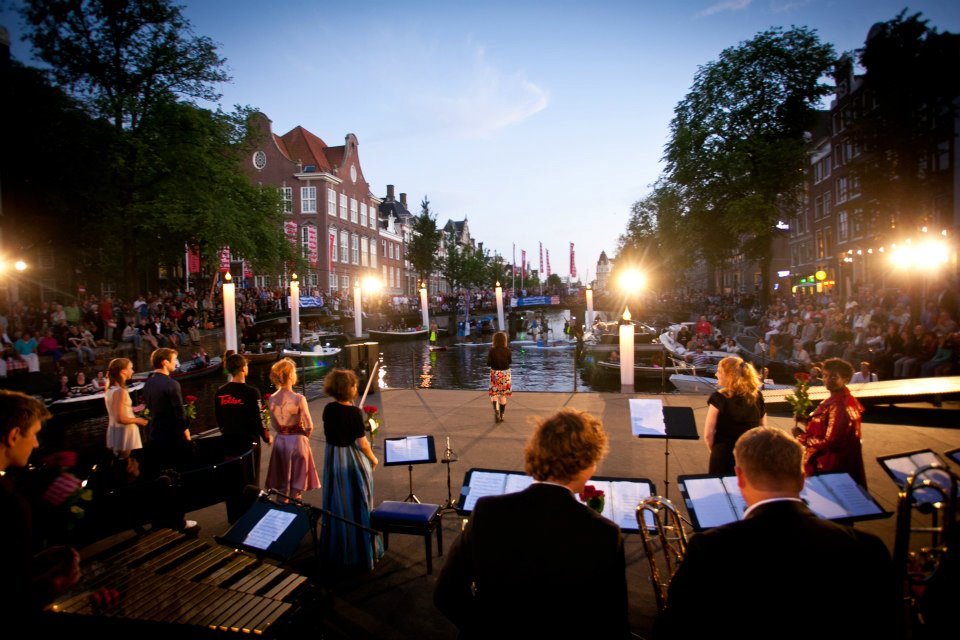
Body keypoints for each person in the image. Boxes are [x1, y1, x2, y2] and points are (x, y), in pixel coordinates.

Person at [654, 426, 896, 638]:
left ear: (739, 477)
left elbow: (675, 628)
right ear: (802, 479)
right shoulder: (868, 547)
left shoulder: (709, 548)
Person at [434, 408, 629, 638]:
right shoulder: (604, 534)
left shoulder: (488, 512)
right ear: (587, 464)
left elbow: (446, 593)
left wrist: (484, 627)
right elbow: (613, 624)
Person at [0, 390, 81, 619]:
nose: (36, 444)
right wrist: (55, 583)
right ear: (13, 436)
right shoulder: (10, 505)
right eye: (34, 434)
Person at [319, 368, 382, 572]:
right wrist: (373, 458)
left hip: (332, 459)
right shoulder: (354, 413)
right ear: (350, 389)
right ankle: (359, 550)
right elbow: (362, 443)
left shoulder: (328, 409)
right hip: (349, 460)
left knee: (337, 501)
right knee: (357, 501)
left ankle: (338, 547)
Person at [792, 358, 868, 487]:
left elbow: (832, 443)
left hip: (830, 467)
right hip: (835, 465)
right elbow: (826, 426)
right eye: (825, 376)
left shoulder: (839, 406)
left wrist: (802, 436)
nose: (827, 380)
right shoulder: (840, 399)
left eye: (834, 377)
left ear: (846, 379)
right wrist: (806, 420)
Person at [264, 358, 320, 501]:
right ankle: (295, 515)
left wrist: (284, 432)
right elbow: (309, 425)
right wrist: (303, 437)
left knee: (282, 486)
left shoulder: (271, 399)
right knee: (296, 486)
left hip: (281, 442)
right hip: (297, 442)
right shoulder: (298, 398)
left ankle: (281, 514)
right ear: (290, 376)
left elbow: (275, 426)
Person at [215, 354, 272, 488]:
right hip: (248, 442)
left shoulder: (220, 392)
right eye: (246, 365)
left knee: (232, 478)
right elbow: (260, 418)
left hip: (229, 440)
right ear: (242, 369)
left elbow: (219, 419)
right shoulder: (252, 392)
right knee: (250, 478)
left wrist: (226, 432)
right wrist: (267, 437)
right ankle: (249, 503)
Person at [704, 356, 766, 474]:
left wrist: (716, 452)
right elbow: (762, 429)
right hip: (749, 454)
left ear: (729, 375)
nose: (716, 374)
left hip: (724, 454)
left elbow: (708, 434)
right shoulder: (757, 396)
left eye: (719, 371)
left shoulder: (719, 398)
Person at [141, 347, 191, 476]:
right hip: (172, 437)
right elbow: (179, 412)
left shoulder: (148, 384)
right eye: (174, 360)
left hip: (155, 435)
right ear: (165, 362)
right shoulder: (171, 384)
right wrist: (186, 433)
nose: (176, 362)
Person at [104, 357, 148, 460]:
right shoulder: (120, 391)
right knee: (129, 465)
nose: (132, 371)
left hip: (114, 430)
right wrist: (138, 420)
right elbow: (121, 418)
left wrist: (133, 410)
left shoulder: (110, 389)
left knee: (120, 463)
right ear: (123, 371)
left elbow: (116, 411)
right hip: (125, 432)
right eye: (131, 368)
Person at [487, 331, 512, 423]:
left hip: (495, 373)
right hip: (505, 373)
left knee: (494, 395)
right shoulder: (508, 350)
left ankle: (496, 412)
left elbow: (488, 363)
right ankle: (502, 415)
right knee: (502, 395)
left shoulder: (491, 350)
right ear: (504, 340)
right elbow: (510, 362)